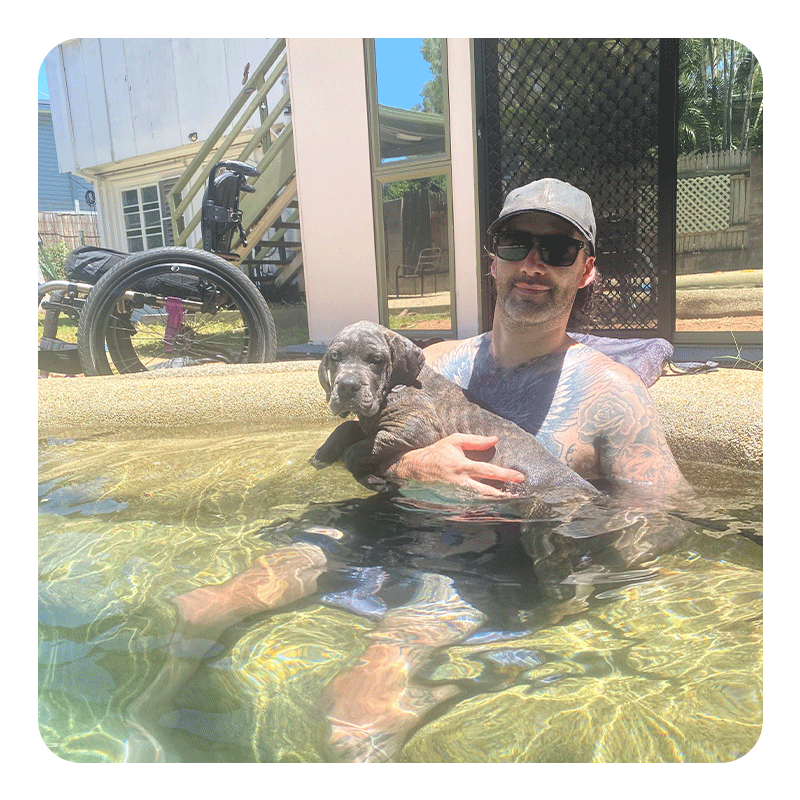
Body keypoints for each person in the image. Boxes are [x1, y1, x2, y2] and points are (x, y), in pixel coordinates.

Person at [383, 177, 690, 501]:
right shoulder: (429, 366)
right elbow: (354, 456)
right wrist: (410, 465)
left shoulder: (613, 395)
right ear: (495, 263)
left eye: (558, 250)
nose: (532, 265)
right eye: (515, 244)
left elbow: (660, 522)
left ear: (586, 270)